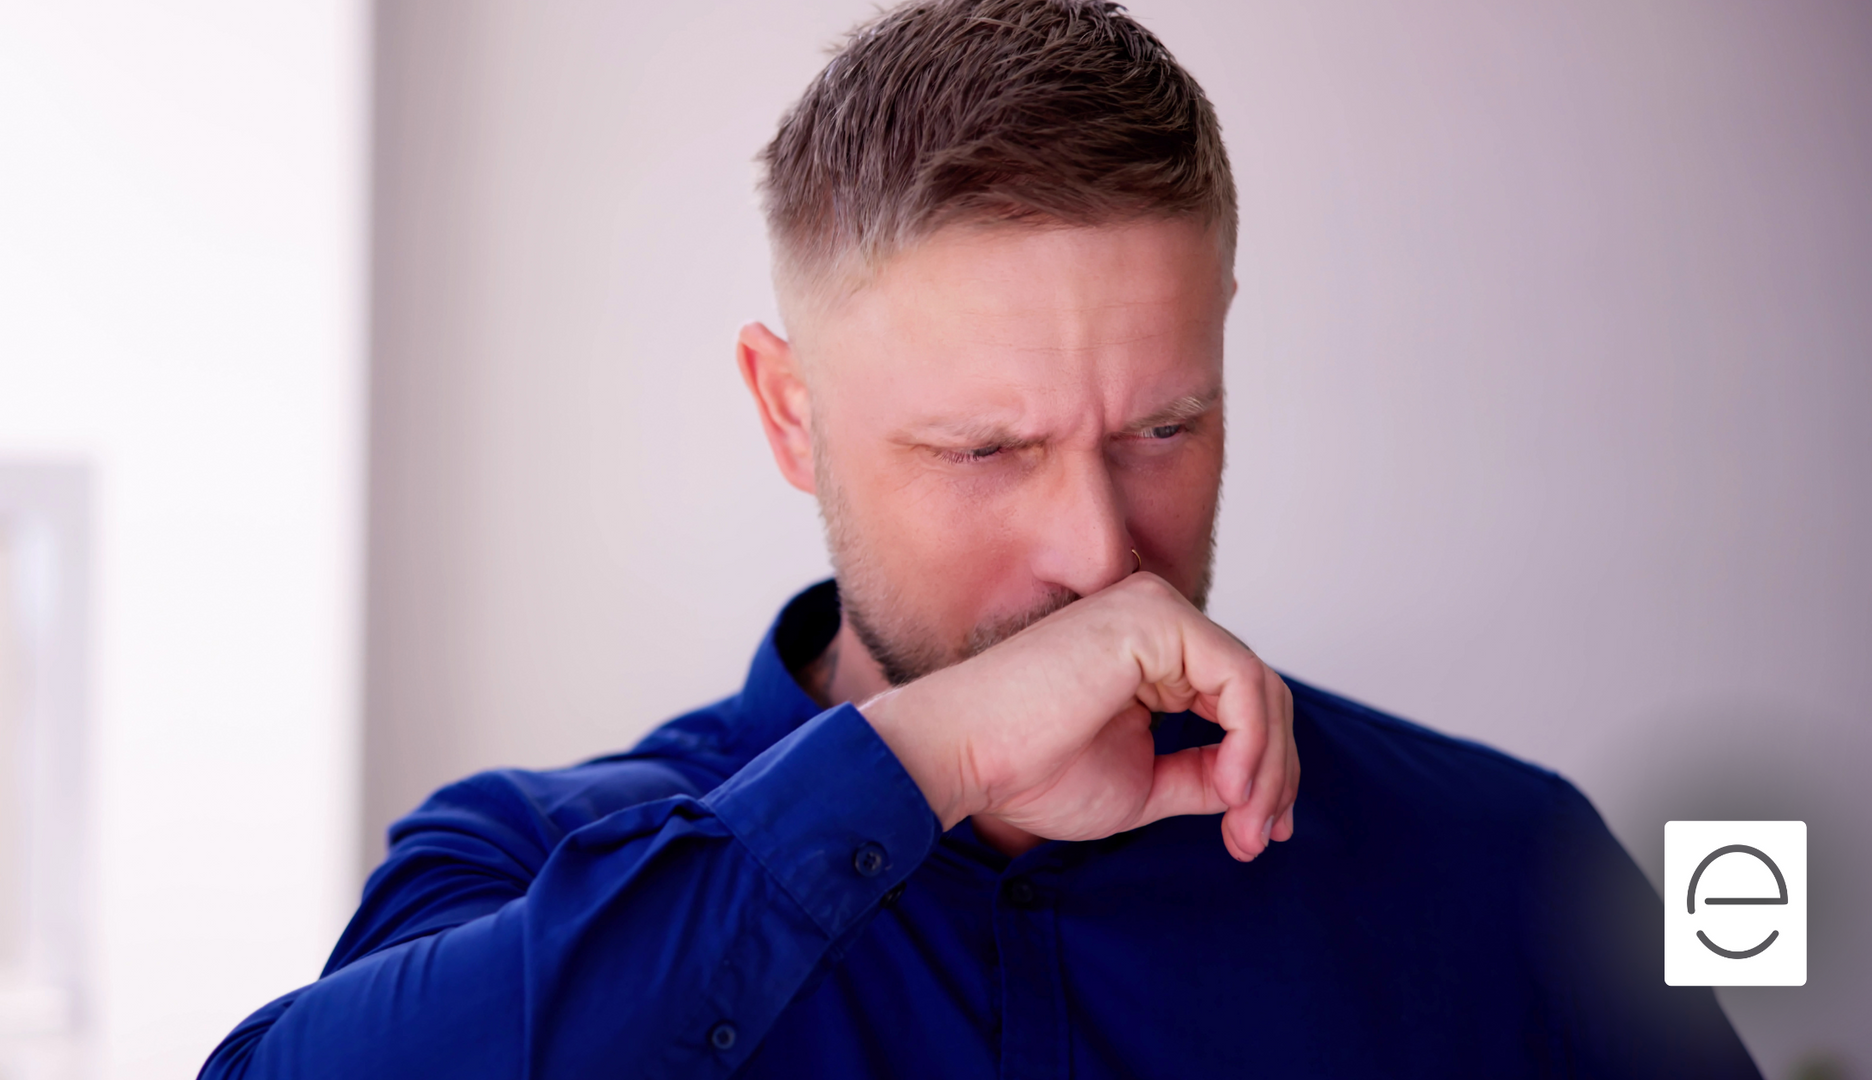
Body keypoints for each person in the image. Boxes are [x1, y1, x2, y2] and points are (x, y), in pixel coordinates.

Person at [202, 1, 1761, 1076]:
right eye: (986, 449)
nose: (1098, 554)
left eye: (1164, 428)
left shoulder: (1509, 874)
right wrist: (933, 755)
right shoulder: (521, 868)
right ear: (788, 410)